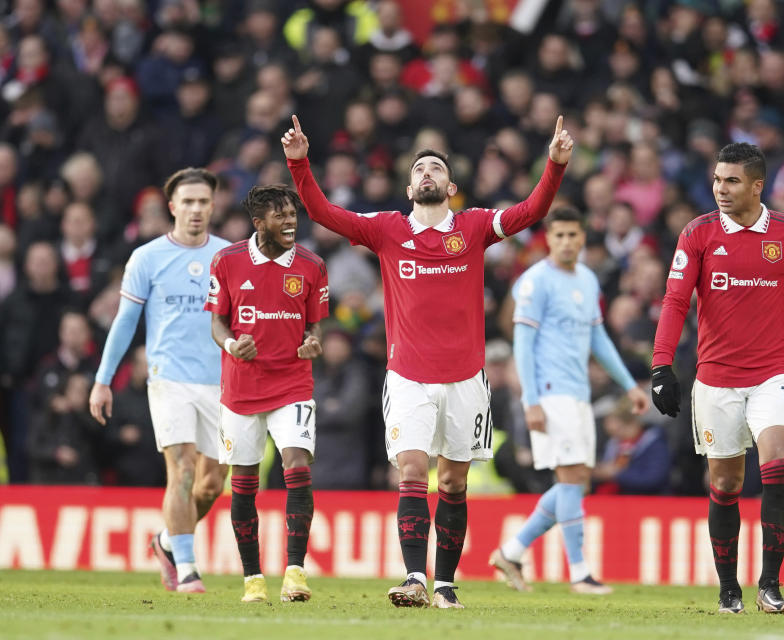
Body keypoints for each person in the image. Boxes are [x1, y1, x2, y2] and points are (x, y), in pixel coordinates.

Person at [283, 112, 573, 609]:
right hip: (408, 377)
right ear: (409, 185)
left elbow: (531, 210)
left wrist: (555, 165)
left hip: (465, 378)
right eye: (419, 169)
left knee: (455, 481)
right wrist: (299, 163)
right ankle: (415, 577)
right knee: (413, 470)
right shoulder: (387, 229)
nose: (426, 174)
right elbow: (324, 212)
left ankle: (445, 584)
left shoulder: (476, 226)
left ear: (451, 185)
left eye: (435, 168)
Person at [650, 143, 784, 614]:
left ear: (757, 186)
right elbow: (674, 303)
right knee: (727, 483)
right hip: (715, 379)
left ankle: (769, 584)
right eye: (717, 179)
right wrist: (661, 366)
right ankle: (728, 588)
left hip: (773, 371)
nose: (720, 189)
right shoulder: (698, 233)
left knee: (777, 467)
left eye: (731, 181)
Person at [488, 207, 649, 594]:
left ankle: (511, 551)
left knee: (574, 481)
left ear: (582, 238)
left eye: (572, 235)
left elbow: (599, 340)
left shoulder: (588, 280)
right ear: (549, 238)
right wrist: (530, 400)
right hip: (549, 391)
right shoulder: (534, 282)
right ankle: (579, 573)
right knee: (572, 478)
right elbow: (522, 344)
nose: (566, 242)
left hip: (577, 394)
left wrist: (629, 384)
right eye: (558, 236)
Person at [89, 167, 230, 594]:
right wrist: (103, 380)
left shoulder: (230, 256)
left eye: (203, 202)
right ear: (172, 207)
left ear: (213, 206)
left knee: (210, 484)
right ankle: (187, 569)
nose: (196, 210)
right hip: (169, 378)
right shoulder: (146, 258)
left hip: (222, 384)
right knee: (182, 470)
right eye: (187, 202)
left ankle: (168, 542)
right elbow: (125, 321)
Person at [204, 185, 329, 604]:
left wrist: (313, 342)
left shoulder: (312, 266)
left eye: (292, 213)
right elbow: (217, 323)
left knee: (297, 467)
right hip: (241, 388)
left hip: (293, 382)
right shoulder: (227, 261)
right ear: (259, 223)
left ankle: (295, 572)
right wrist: (230, 344)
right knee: (243, 483)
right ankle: (252, 578)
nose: (290, 221)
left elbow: (315, 327)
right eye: (280, 215)